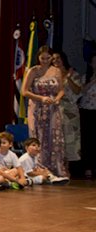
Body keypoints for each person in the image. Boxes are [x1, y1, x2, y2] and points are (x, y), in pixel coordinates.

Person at [21, 46, 67, 177]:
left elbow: (61, 90)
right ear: (38, 58)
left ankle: (54, 169)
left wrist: (57, 99)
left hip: (53, 109)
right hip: (37, 108)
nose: (45, 61)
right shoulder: (33, 71)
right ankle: (39, 169)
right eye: (43, 58)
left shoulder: (56, 71)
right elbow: (24, 91)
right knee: (39, 137)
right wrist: (41, 98)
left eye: (48, 58)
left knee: (53, 138)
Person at [51, 52, 82, 164]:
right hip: (54, 110)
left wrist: (68, 78)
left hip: (70, 111)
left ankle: (68, 166)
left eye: (58, 58)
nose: (56, 61)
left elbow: (78, 91)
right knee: (56, 138)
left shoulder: (73, 73)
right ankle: (58, 166)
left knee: (70, 139)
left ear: (63, 58)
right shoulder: (49, 75)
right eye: (53, 59)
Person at [80, 53, 96, 179]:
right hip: (87, 110)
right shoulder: (86, 76)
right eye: (94, 61)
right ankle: (88, 167)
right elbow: (81, 91)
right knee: (87, 140)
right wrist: (92, 81)